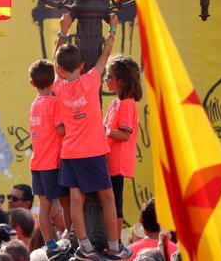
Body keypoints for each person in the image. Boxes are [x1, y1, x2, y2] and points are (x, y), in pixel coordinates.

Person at [53, 13, 130, 259]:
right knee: (107, 197)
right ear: (82, 66)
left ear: (60, 70)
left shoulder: (59, 87)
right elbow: (105, 55)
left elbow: (56, 63)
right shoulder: (91, 80)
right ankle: (114, 245)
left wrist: (63, 30)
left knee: (76, 199)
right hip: (94, 152)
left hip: (71, 153)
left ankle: (84, 246)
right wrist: (113, 29)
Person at [27, 58, 71, 259]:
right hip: (53, 163)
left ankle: (50, 244)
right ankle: (72, 238)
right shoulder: (55, 103)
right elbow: (61, 129)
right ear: (54, 80)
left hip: (37, 164)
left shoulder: (34, 105)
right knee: (66, 202)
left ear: (31, 83)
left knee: (44, 206)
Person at [103, 55, 142, 237]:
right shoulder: (115, 103)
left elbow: (125, 135)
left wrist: (104, 131)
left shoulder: (126, 104)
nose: (106, 79)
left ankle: (116, 241)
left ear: (121, 81)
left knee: (115, 202)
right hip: (109, 159)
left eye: (110, 76)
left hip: (117, 163)